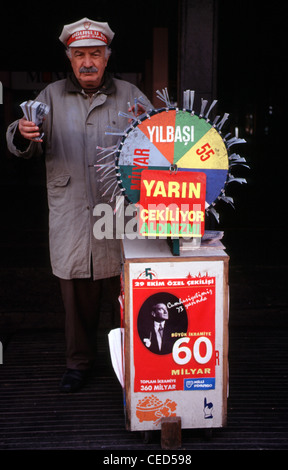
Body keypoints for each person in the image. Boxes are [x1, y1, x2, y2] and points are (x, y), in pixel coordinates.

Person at [6, 17, 153, 392]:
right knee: (78, 293)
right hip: (72, 209)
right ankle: (79, 363)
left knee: (129, 291)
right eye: (80, 55)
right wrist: (22, 134)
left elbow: (157, 142)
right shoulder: (50, 96)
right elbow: (21, 142)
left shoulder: (131, 95)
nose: (88, 62)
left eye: (95, 55)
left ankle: (138, 364)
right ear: (69, 59)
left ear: (107, 57)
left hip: (119, 211)